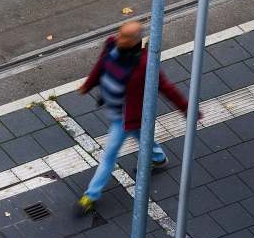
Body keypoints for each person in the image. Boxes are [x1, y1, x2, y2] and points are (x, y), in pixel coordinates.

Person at [74, 19, 192, 213]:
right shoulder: (111, 45)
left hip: (124, 118)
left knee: (109, 156)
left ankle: (90, 195)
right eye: (119, 33)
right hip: (119, 113)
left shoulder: (145, 64)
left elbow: (166, 87)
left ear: (133, 42)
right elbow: (101, 66)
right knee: (140, 134)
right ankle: (158, 158)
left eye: (123, 36)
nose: (117, 37)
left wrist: (186, 108)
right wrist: (87, 85)